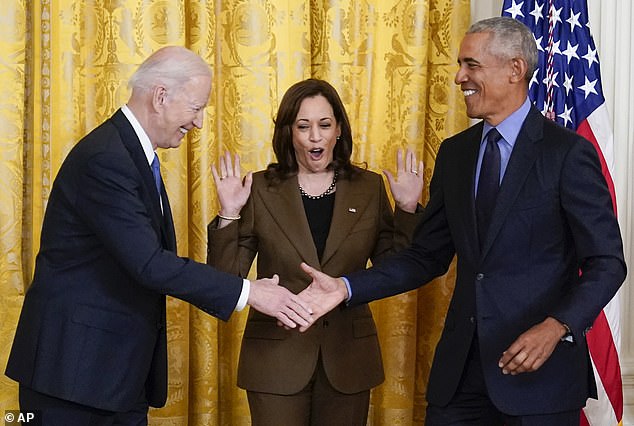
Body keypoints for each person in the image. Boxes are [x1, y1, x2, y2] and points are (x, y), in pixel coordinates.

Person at [297, 17, 627, 425]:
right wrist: (346, 287)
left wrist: (557, 326)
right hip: (460, 378)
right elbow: (425, 256)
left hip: (540, 378)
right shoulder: (456, 154)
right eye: (459, 64)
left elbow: (607, 263)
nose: (458, 77)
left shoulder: (566, 154)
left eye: (471, 65)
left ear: (514, 69)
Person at [5, 46, 314, 425]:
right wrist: (252, 292)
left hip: (115, 376)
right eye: (196, 108)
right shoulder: (107, 158)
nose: (199, 123)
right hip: (72, 378)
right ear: (161, 96)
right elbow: (149, 264)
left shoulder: (132, 153)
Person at [206, 78, 424, 426]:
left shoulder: (368, 188)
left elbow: (394, 270)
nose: (315, 137)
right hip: (275, 359)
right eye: (303, 126)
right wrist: (230, 212)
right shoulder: (260, 188)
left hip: (348, 359)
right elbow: (225, 281)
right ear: (289, 133)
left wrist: (408, 209)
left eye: (324, 125)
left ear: (339, 129)